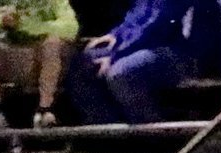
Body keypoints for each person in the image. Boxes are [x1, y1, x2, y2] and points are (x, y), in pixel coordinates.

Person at [67, 0, 197, 124]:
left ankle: (153, 136)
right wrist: (116, 35)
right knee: (84, 63)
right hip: (141, 45)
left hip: (177, 54)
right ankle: (108, 134)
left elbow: (156, 26)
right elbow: (137, 16)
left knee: (121, 74)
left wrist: (115, 55)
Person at [0, 0, 77, 128]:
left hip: (41, 58)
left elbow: (71, 27)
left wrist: (27, 26)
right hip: (9, 58)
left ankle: (45, 110)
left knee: (52, 43)